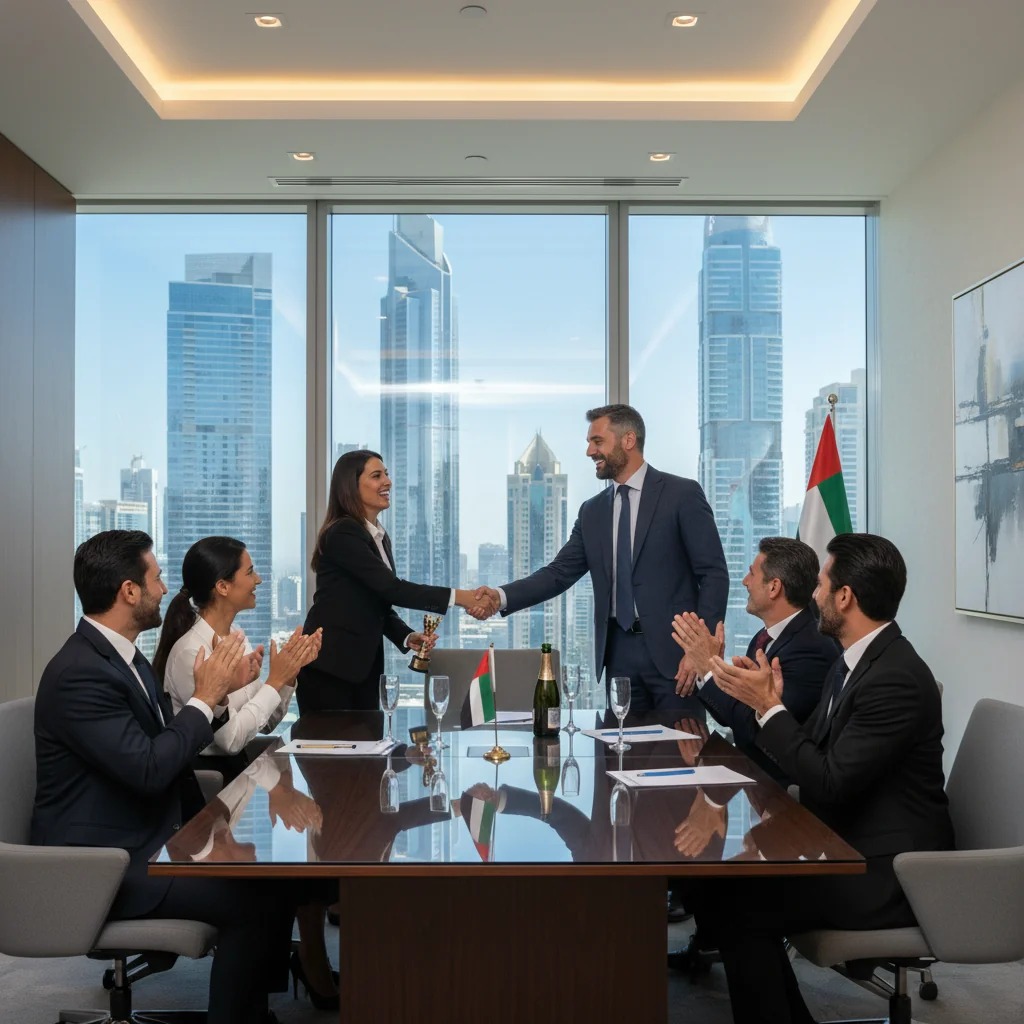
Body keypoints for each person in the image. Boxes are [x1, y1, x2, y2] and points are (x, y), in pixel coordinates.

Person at [31, 531, 333, 1024]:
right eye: (155, 578)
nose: (165, 587)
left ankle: (251, 1011)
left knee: (271, 882)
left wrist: (215, 697)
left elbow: (170, 745)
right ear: (129, 592)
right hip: (102, 864)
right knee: (253, 898)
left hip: (145, 836)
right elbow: (150, 768)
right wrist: (204, 696)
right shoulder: (80, 673)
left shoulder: (122, 659)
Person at [680, 533, 954, 1024]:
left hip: (890, 872)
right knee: (725, 889)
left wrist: (770, 707)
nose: (816, 594)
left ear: (845, 596)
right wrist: (769, 704)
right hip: (846, 843)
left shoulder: (893, 676)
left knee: (739, 905)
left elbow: (827, 780)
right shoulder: (853, 661)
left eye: (824, 583)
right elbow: (812, 753)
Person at [475, 404, 729, 713]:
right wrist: (500, 596)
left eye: (597, 441)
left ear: (628, 440)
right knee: (618, 756)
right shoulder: (592, 511)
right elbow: (558, 573)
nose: (588, 451)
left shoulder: (681, 494)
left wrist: (701, 652)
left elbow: (714, 574)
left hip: (677, 658)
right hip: (617, 656)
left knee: (679, 755)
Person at [298, 449, 487, 713]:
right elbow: (393, 589)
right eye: (377, 476)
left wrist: (407, 636)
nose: (387, 482)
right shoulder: (344, 532)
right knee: (335, 751)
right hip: (331, 670)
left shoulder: (378, 537)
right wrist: (462, 597)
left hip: (361, 670)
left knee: (367, 749)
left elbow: (376, 601)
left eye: (386, 474)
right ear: (351, 487)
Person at [154, 536, 321, 782]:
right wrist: (273, 683)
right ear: (222, 587)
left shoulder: (235, 637)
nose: (259, 580)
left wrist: (287, 675)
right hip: (212, 786)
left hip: (241, 776)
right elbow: (230, 741)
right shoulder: (191, 653)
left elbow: (264, 724)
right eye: (250, 572)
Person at [672, 536, 840, 771]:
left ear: (774, 587)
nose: (745, 581)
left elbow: (754, 728)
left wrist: (708, 667)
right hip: (750, 772)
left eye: (752, 574)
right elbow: (731, 715)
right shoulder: (764, 638)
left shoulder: (810, 649)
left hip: (779, 788)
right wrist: (715, 672)